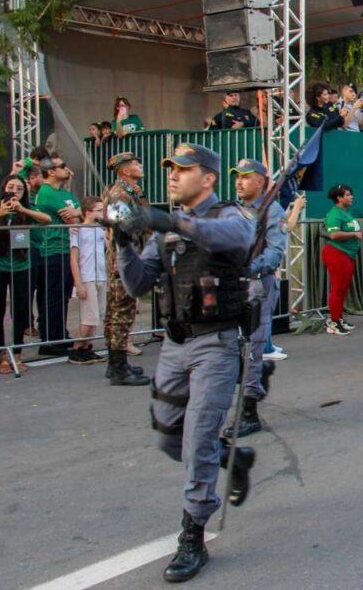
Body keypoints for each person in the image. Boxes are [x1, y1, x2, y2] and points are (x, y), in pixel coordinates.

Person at [114, 143, 256, 582]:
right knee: (166, 437)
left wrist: (168, 219)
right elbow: (138, 283)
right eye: (170, 169)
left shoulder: (231, 217)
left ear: (208, 178)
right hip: (175, 347)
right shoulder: (168, 232)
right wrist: (122, 242)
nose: (172, 176)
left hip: (215, 345)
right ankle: (230, 456)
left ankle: (192, 535)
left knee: (196, 441)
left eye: (183, 169)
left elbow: (231, 239)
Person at [226, 158, 287, 437]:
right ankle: (255, 379)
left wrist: (250, 266)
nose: (239, 181)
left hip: (257, 286)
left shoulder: (271, 210)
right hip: (231, 286)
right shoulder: (233, 209)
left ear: (261, 181)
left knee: (252, 348)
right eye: (237, 176)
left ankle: (249, 413)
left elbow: (276, 251)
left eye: (246, 177)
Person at [0, 175, 51, 372]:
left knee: (21, 310)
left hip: (21, 265)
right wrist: (0, 211)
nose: (15, 191)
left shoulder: (28, 208)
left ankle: (17, 353)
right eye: (11, 187)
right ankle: (1, 354)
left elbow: (47, 220)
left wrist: (22, 209)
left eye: (19, 188)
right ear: (3, 188)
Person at [102, 152, 150, 386]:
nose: (139, 165)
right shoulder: (119, 194)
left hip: (126, 258)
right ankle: (119, 368)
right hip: (124, 259)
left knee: (117, 313)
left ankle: (116, 365)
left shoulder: (130, 192)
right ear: (124, 170)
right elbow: (121, 225)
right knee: (121, 314)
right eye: (135, 163)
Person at [33, 155, 82, 356]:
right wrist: (78, 211)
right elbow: (74, 216)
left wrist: (78, 211)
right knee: (52, 296)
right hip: (52, 249)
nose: (67, 169)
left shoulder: (62, 191)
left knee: (62, 295)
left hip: (65, 248)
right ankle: (50, 339)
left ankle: (59, 334)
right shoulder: (47, 193)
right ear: (51, 171)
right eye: (62, 166)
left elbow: (81, 210)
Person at [67, 197, 108, 364]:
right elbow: (74, 258)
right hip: (87, 276)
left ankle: (88, 347)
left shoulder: (100, 229)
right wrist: (78, 282)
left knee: (97, 314)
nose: (101, 213)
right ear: (88, 212)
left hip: (100, 275)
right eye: (98, 210)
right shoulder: (79, 230)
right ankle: (77, 348)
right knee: (89, 316)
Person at [322, 184, 363, 336]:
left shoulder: (346, 213)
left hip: (347, 254)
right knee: (338, 288)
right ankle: (333, 322)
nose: (351, 197)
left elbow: (349, 231)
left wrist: (359, 233)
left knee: (342, 288)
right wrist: (354, 235)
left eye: (351, 194)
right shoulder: (335, 214)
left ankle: (339, 318)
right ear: (339, 198)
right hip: (336, 253)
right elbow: (333, 235)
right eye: (347, 195)